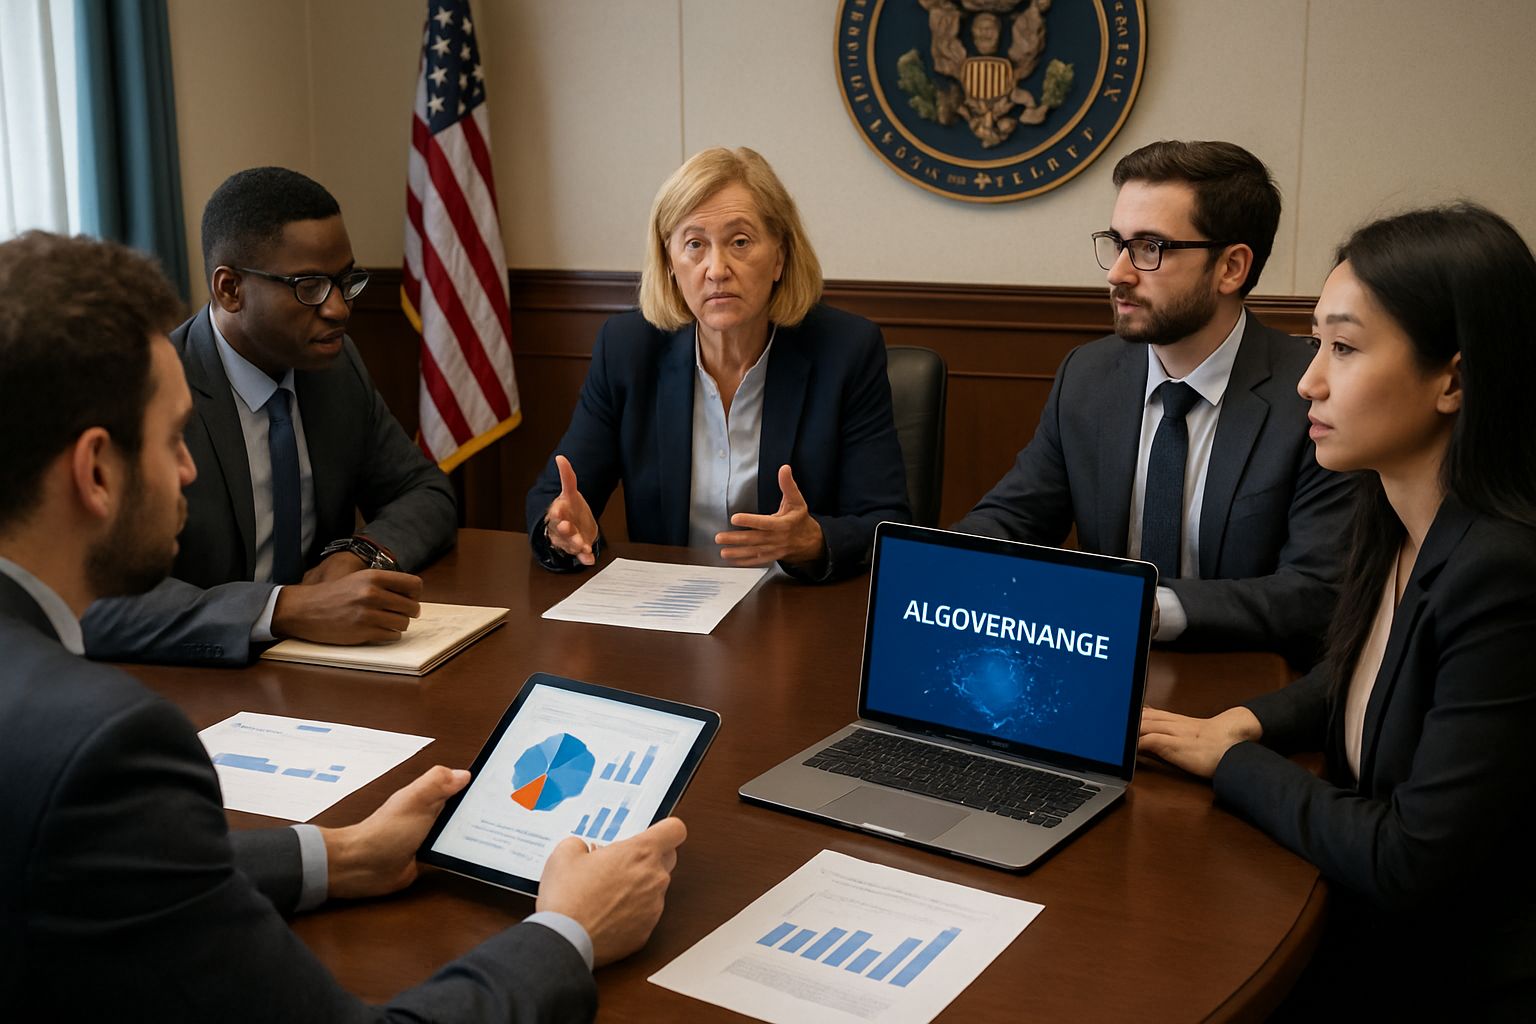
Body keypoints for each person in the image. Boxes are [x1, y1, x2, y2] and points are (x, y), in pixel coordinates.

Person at [0, 231, 687, 1021]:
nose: (187, 468)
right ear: (94, 470)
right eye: (170, 441)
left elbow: (97, 867)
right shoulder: (105, 746)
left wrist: (341, 853)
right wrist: (570, 930)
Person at [1138, 204, 1536, 1017]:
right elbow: (1358, 678)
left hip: (1445, 977)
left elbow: (1409, 860)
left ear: (1454, 380)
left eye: (1345, 349)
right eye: (1316, 341)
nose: (1308, 380)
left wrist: (1233, 763)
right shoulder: (1393, 510)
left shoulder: (1504, 573)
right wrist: (1241, 721)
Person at [953, 140, 1352, 664]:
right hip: (1093, 670)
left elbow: (1315, 593)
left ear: (1231, 268)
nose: (1118, 272)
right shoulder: (1089, 375)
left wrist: (1141, 609)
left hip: (1242, 684)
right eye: (1117, 243)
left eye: (1150, 248)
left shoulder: (1312, 394)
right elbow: (1015, 517)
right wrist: (946, 565)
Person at [82, 167, 457, 665]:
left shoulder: (335, 367)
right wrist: (280, 609)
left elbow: (425, 492)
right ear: (230, 289)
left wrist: (358, 553)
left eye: (346, 281)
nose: (339, 309)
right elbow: (97, 600)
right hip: (195, 683)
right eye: (310, 286)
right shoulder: (143, 393)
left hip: (323, 669)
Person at [526, 146, 909, 582]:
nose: (716, 269)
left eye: (740, 242)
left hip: (793, 612)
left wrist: (814, 541)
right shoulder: (628, 350)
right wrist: (564, 530)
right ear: (670, 263)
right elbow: (555, 499)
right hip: (670, 613)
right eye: (694, 245)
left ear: (780, 255)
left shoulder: (845, 351)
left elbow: (887, 521)